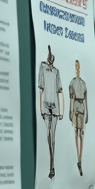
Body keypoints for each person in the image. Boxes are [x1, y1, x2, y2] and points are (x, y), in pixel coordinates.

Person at [37, 46, 64, 180]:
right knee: (48, 137)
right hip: (46, 107)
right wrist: (41, 109)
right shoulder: (42, 68)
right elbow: (40, 90)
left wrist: (61, 112)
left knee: (52, 138)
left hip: (54, 108)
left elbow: (60, 91)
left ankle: (52, 166)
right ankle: (51, 164)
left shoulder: (56, 72)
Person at [69, 59, 89, 176]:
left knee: (82, 134)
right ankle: (78, 158)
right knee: (76, 133)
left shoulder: (83, 83)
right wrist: (70, 112)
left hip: (81, 108)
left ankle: (80, 159)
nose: (77, 68)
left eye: (78, 66)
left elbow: (86, 100)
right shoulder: (72, 83)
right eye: (76, 66)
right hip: (75, 107)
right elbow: (71, 98)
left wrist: (87, 113)